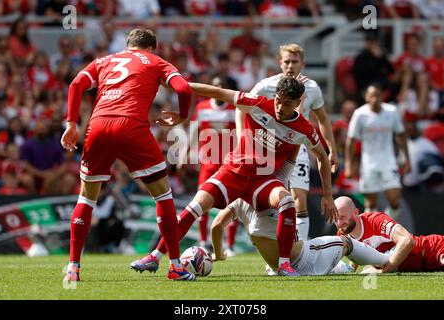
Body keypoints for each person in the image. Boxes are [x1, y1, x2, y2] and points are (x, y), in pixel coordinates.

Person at [130, 76, 338, 276]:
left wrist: (327, 196)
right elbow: (217, 91)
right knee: (193, 208)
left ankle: (284, 265)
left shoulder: (304, 129)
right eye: (278, 101)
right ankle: (154, 257)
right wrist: (177, 85)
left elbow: (322, 156)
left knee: (286, 201)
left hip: (262, 179)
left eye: (287, 103)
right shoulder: (257, 104)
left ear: (298, 102)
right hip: (233, 173)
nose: (280, 107)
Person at [61, 28, 196, 282]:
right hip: (132, 126)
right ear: (152, 47)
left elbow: (76, 84)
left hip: (98, 126)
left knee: (86, 199)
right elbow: (185, 90)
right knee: (163, 195)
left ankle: (73, 269)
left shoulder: (104, 61)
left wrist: (70, 123)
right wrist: (182, 115)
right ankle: (176, 267)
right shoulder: (157, 62)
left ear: (128, 45)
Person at [236, 43, 338, 241]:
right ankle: (275, 247)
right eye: (287, 62)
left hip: (297, 148)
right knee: (272, 199)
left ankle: (301, 249)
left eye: (295, 62)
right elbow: (241, 107)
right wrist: (243, 137)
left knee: (299, 198)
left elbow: (324, 119)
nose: (290, 66)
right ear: (279, 63)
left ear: (303, 63)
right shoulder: (266, 86)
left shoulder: (312, 88)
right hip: (270, 148)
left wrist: (332, 149)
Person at [210, 198, 389, 275]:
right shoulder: (275, 190)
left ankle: (383, 262)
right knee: (346, 242)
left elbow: (217, 225)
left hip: (279, 267)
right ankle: (387, 261)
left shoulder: (240, 200)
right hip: (304, 259)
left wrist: (218, 254)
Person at [179, 76, 237, 252]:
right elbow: (193, 132)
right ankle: (204, 241)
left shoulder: (234, 108)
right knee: (201, 201)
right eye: (216, 85)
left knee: (232, 205)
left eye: (222, 85)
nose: (219, 88)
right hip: (209, 164)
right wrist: (183, 153)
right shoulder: (202, 108)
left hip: (229, 164)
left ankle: (231, 245)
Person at [345, 84, 411, 219]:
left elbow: (400, 135)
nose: (374, 99)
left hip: (388, 161)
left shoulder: (392, 112)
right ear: (366, 98)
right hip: (369, 163)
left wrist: (407, 159)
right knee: (370, 203)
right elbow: (350, 141)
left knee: (394, 200)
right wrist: (348, 165)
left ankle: (388, 225)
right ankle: (375, 232)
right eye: (371, 96)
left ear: (382, 97)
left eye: (377, 96)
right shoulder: (360, 114)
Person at [334, 196, 444, 273]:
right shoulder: (343, 233)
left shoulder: (375, 221)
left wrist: (382, 271)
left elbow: (407, 241)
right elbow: (357, 253)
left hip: (432, 250)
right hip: (422, 267)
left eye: (343, 217)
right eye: (335, 219)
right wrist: (350, 268)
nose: (339, 223)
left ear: (356, 212)